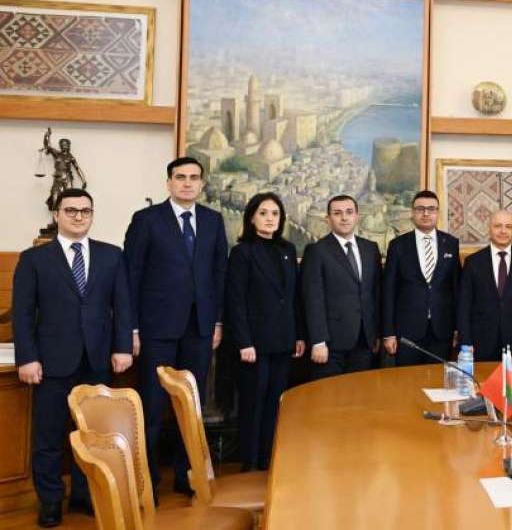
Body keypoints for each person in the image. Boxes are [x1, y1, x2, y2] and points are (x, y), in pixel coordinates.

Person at [13, 189, 132, 528]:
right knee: (49, 437)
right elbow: (23, 313)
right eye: (71, 211)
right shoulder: (34, 259)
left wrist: (122, 347)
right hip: (51, 362)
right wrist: (27, 358)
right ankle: (51, 501)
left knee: (94, 435)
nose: (79, 216)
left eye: (85, 211)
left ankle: (85, 494)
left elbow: (123, 306)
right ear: (57, 215)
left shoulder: (112, 255)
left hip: (97, 359)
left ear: (92, 214)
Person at [122, 156, 227, 497]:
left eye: (194, 177)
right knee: (152, 408)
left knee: (190, 408)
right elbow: (131, 276)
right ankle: (147, 481)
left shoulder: (212, 220)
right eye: (180, 177)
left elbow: (219, 274)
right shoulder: (147, 220)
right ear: (169, 182)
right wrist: (132, 329)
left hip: (199, 329)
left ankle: (187, 475)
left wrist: (217, 321)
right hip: (157, 330)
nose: (187, 183)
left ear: (202, 184)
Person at [224, 192, 304, 472]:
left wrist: (299, 335)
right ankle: (250, 463)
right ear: (251, 218)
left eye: (275, 214)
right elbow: (235, 301)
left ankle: (269, 459)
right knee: (253, 403)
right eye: (263, 213)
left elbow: (293, 298)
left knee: (275, 403)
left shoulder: (287, 249)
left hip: (283, 340)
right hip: (254, 344)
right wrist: (244, 342)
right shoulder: (242, 252)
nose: (270, 218)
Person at [303, 195, 381, 378]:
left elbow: (376, 294)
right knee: (329, 394)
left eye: (349, 212)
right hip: (330, 344)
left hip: (364, 341)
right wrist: (318, 341)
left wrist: (376, 334)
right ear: (328, 219)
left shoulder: (371, 248)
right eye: (337, 213)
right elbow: (313, 299)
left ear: (357, 216)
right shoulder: (317, 251)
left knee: (360, 393)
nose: (344, 218)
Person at [382, 190, 459, 365]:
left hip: (442, 330)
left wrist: (458, 328)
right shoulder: (398, 245)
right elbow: (388, 291)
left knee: (438, 379)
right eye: (420, 209)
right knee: (408, 380)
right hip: (407, 332)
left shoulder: (451, 243)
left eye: (431, 209)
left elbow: (456, 289)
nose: (426, 213)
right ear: (412, 212)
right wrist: (388, 332)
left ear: (438, 213)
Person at [458, 209, 512, 362]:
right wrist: (466, 342)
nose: (503, 231)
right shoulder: (473, 262)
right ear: (489, 228)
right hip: (480, 342)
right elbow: (464, 305)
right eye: (498, 226)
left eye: (508, 226)